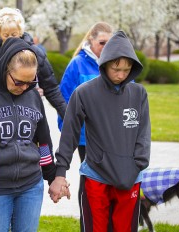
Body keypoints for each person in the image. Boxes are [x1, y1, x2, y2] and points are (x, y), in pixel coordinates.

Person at [49, 30, 151, 231]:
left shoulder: (139, 93)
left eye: (126, 69)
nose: (121, 75)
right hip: (96, 177)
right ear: (104, 63)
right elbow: (69, 134)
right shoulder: (84, 93)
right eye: (116, 68)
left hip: (130, 177)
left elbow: (143, 133)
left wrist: (138, 164)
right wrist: (60, 172)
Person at [0, 37, 69, 232]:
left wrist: (52, 177)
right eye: (19, 81)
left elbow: (43, 143)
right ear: (5, 69)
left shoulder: (33, 95)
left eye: (31, 81)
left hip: (30, 186)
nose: (24, 87)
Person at [57, 21, 113, 228]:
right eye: (102, 42)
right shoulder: (77, 65)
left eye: (110, 42)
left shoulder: (115, 63)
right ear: (91, 40)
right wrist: (69, 130)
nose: (106, 47)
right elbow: (64, 99)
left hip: (111, 135)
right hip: (85, 136)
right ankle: (88, 223)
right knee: (91, 180)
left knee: (110, 181)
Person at [0, 7, 67, 119]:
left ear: (20, 32)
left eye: (14, 34)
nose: (11, 39)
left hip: (28, 113)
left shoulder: (35, 53)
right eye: (6, 35)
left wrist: (69, 117)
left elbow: (51, 89)